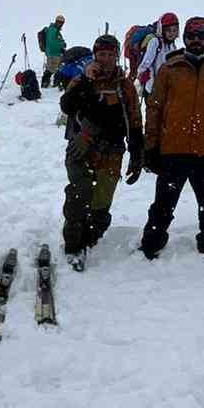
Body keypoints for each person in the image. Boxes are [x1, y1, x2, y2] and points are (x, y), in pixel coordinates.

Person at [141, 17, 204, 260]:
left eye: (201, 36)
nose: (196, 41)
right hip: (172, 150)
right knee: (162, 206)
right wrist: (151, 146)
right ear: (184, 38)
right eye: (191, 36)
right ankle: (151, 245)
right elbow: (154, 109)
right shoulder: (169, 70)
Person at [59, 33, 143, 268]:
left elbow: (135, 120)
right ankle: (73, 244)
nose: (105, 59)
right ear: (94, 55)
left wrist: (137, 153)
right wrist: (86, 81)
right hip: (81, 146)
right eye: (101, 54)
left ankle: (90, 238)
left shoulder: (124, 86)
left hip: (112, 151)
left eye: (110, 55)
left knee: (101, 202)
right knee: (80, 192)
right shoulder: (82, 79)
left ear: (116, 57)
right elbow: (67, 106)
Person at [136, 12, 179, 95]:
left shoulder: (173, 46)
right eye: (168, 30)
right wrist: (142, 73)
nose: (171, 33)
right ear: (162, 30)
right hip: (152, 88)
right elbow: (146, 62)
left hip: (166, 88)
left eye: (174, 30)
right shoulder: (155, 42)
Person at [39, 15, 66, 87]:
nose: (61, 24)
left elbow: (58, 40)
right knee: (51, 69)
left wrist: (63, 43)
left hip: (56, 53)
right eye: (59, 22)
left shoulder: (56, 30)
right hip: (52, 53)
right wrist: (61, 46)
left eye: (62, 23)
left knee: (57, 68)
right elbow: (51, 42)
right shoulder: (52, 30)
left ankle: (55, 83)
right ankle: (45, 83)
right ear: (56, 21)